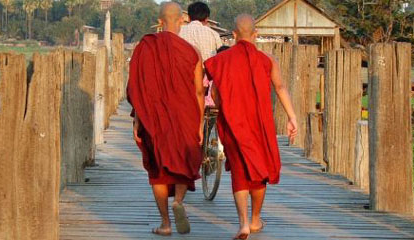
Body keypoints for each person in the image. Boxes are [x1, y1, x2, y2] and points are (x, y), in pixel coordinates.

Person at [203, 14, 298, 240]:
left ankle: (243, 223)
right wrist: (292, 117)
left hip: (233, 123)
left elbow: (213, 92)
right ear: (255, 34)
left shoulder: (222, 60)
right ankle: (256, 219)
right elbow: (281, 87)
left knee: (239, 171)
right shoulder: (267, 60)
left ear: (234, 35)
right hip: (260, 124)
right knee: (258, 172)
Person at [126, 1, 205, 236]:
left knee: (158, 170)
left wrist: (138, 120)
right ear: (182, 19)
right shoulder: (192, 52)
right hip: (186, 115)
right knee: (182, 162)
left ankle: (165, 223)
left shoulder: (145, 47)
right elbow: (199, 91)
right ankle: (178, 201)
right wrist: (199, 123)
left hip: (154, 118)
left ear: (159, 22)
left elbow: (137, 88)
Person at [179, 1, 223, 107]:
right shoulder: (214, 34)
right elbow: (220, 58)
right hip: (206, 83)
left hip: (182, 80)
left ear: (188, 18)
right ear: (207, 18)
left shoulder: (179, 32)